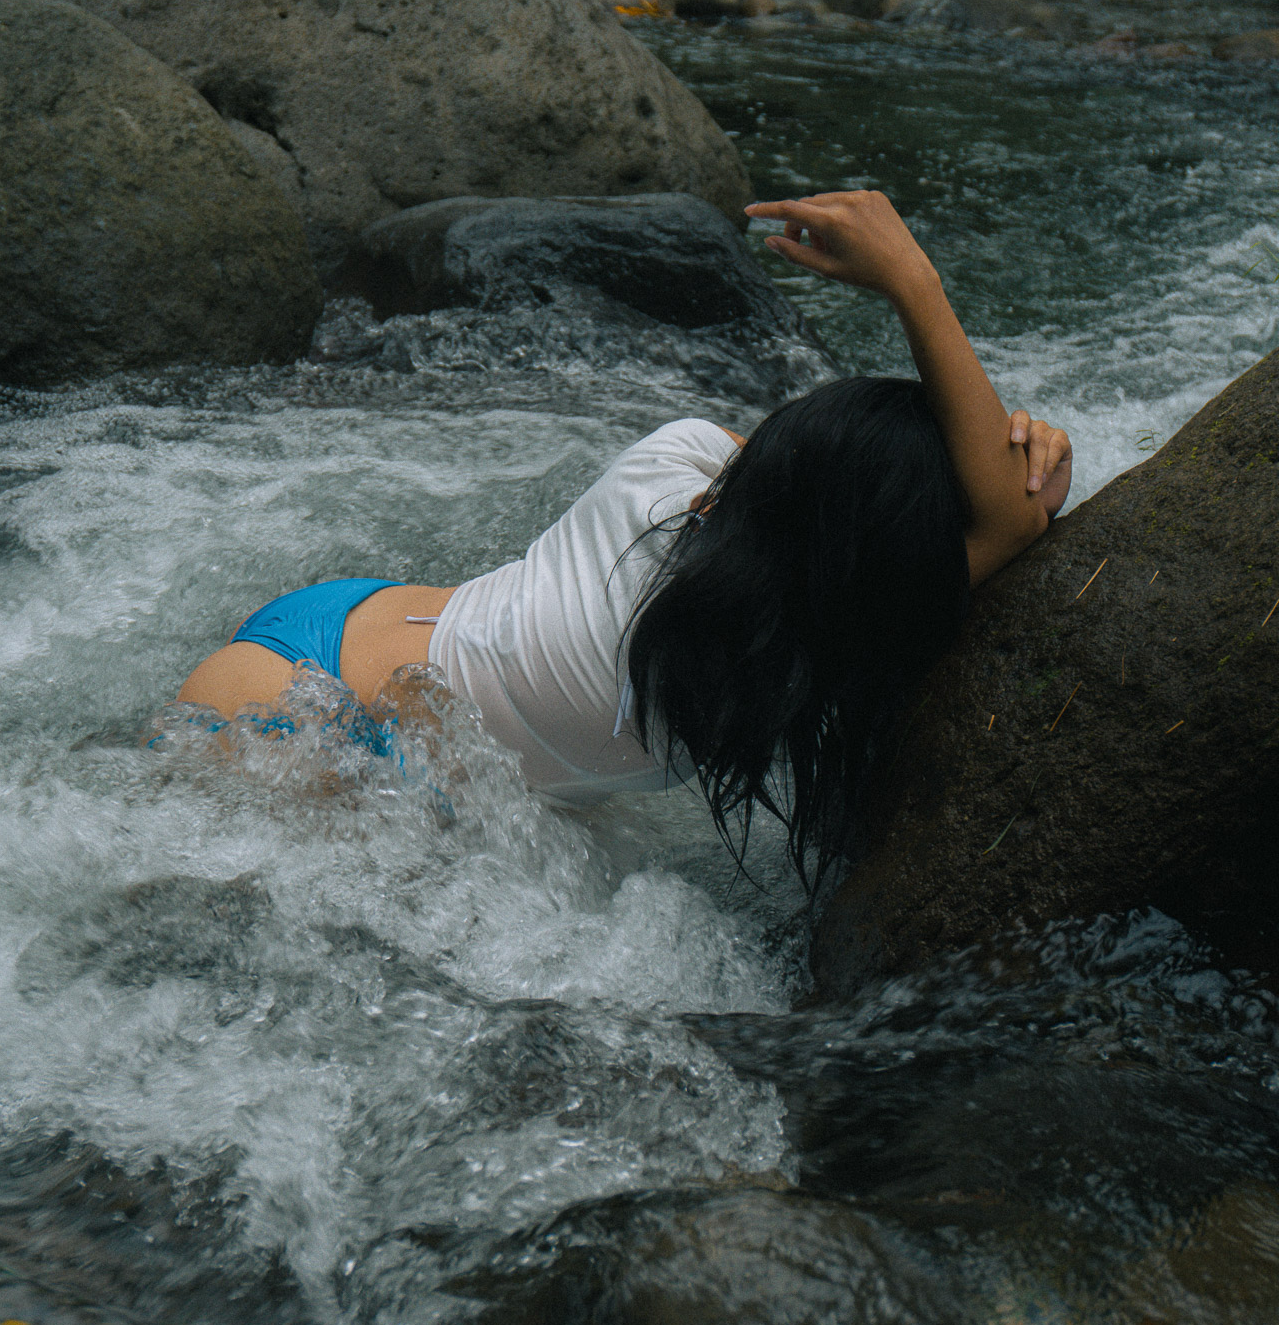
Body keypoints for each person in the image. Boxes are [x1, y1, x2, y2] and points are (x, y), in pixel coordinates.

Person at [178, 191, 1072, 887]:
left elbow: (829, 483)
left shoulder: (676, 466)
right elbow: (1011, 516)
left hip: (344, 629)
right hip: (298, 708)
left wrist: (915, 283)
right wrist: (919, 292)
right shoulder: (780, 660)